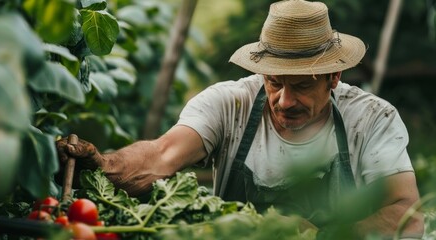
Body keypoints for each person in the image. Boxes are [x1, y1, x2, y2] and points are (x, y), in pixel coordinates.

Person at [57, 0, 424, 237]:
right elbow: (161, 154)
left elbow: (406, 215)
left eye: (301, 86)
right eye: (275, 82)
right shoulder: (229, 103)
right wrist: (105, 165)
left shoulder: (371, 119)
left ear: (334, 77)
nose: (284, 100)